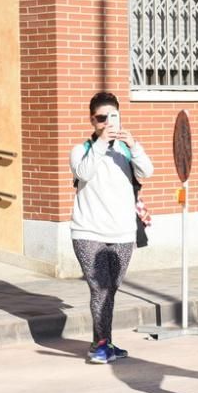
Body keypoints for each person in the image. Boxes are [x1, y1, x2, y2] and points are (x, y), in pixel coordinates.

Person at [70, 92, 154, 364]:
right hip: (88, 231)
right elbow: (83, 173)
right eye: (101, 118)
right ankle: (100, 346)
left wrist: (135, 145)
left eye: (112, 117)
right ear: (92, 120)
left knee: (111, 289)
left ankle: (103, 341)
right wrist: (101, 144)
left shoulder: (126, 151)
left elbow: (147, 172)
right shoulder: (81, 150)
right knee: (100, 289)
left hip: (122, 232)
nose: (107, 123)